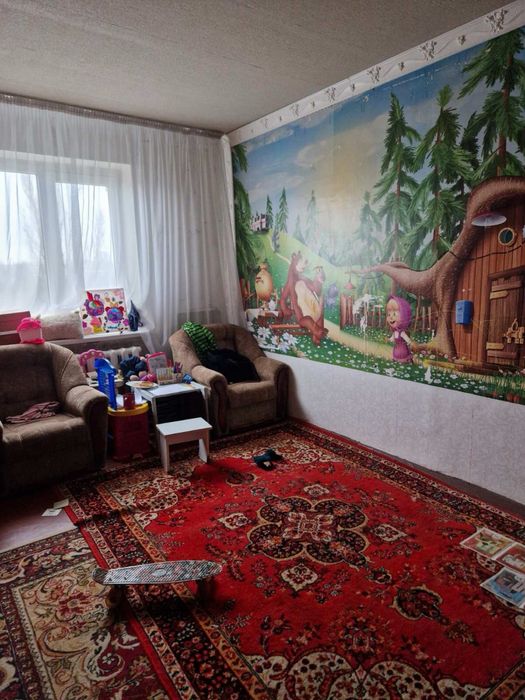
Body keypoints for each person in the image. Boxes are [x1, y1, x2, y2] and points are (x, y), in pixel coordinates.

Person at [386, 295, 413, 363]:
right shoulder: (395, 332)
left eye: (394, 314)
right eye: (389, 314)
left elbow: (408, 341)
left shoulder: (402, 333)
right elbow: (392, 339)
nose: (391, 317)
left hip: (403, 351)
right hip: (396, 350)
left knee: (403, 359)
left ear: (404, 315)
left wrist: (411, 344)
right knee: (396, 358)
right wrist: (388, 339)